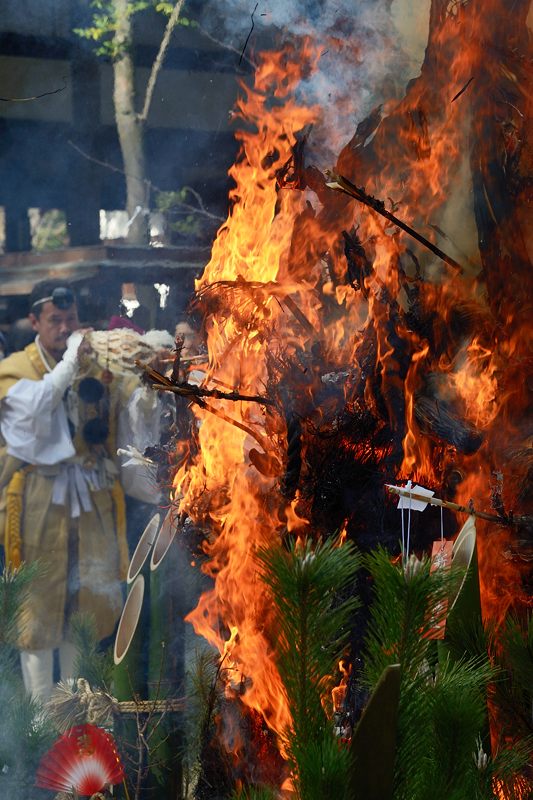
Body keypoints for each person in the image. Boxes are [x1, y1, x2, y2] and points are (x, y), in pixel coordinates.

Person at [0, 280, 158, 700]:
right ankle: (38, 719)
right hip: (39, 501)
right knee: (37, 612)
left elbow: (132, 417)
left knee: (86, 609)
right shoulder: (15, 367)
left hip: (93, 498)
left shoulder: (98, 365)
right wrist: (70, 364)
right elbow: (31, 416)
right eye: (55, 320)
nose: (65, 327)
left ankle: (78, 714)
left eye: (71, 320)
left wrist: (147, 386)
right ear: (35, 321)